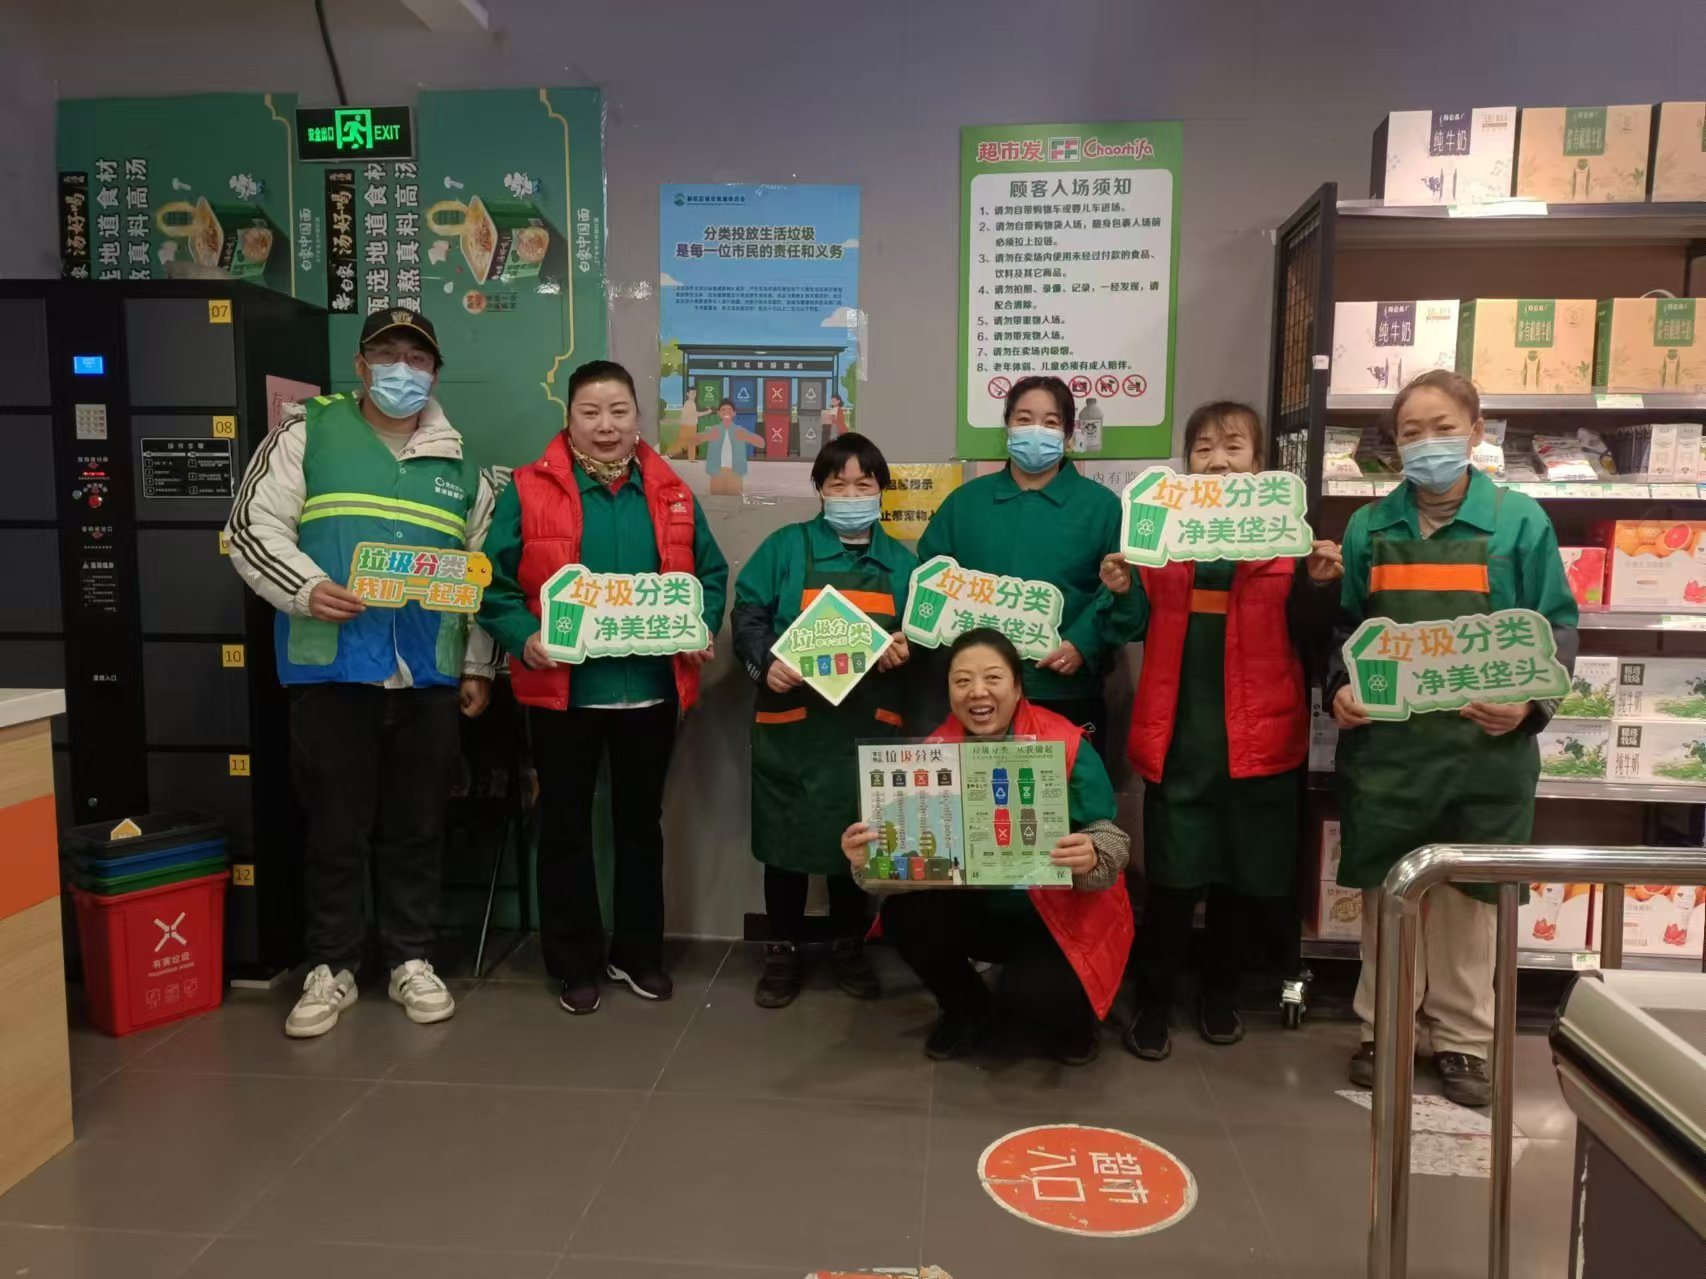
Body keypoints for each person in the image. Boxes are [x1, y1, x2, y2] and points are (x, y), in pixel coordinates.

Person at [226, 308, 495, 1039]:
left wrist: (478, 665)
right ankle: (332, 965)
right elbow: (250, 527)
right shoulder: (306, 432)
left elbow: (478, 575)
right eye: (388, 353)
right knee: (334, 828)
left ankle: (411, 957)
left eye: (418, 357)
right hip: (333, 669)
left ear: (435, 372)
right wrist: (307, 587)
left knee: (418, 826)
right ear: (361, 364)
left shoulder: (462, 464)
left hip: (427, 676)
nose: (402, 368)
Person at [1329, 369, 1577, 1107]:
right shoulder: (1369, 528)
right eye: (1412, 432)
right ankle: (1385, 1029)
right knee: (1390, 895)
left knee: (1471, 903)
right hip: (1391, 748)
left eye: (1443, 428)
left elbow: (1558, 626)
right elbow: (1345, 625)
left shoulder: (1519, 522)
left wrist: (1530, 703)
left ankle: (1465, 1040)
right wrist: (1340, 686)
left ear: (1475, 432)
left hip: (1484, 748)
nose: (1427, 444)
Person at [478, 360, 728, 1014]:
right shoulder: (527, 489)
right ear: (569, 418)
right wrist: (524, 637)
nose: (606, 425)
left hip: (650, 690)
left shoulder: (671, 490)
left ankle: (638, 954)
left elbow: (710, 573)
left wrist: (699, 626)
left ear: (638, 416)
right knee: (564, 824)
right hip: (563, 692)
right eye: (590, 412)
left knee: (640, 825)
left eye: (619, 410)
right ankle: (574, 962)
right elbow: (491, 585)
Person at [1098, 402, 1341, 1060]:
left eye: (1234, 447)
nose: (1218, 462)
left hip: (1263, 740)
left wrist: (1319, 585)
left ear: (1260, 463)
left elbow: (1313, 637)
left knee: (1240, 876)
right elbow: (1128, 625)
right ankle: (1154, 998)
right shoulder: (1159, 540)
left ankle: (1219, 993)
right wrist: (1121, 587)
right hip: (1181, 738)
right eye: (1203, 449)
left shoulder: (1288, 540)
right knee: (1174, 878)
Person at [839, 629, 1133, 1065]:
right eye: (962, 681)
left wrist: (1092, 855)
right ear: (949, 692)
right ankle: (966, 1010)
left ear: (1017, 687)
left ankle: (1073, 1020)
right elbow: (903, 865)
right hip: (977, 908)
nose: (977, 691)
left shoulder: (1064, 743)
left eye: (993, 678)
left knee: (1036, 996)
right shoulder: (931, 757)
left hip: (1057, 917)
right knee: (906, 917)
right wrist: (867, 862)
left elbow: (1111, 836)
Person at [732, 434, 915, 1008]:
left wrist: (908, 648)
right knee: (784, 844)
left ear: (882, 491)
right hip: (792, 729)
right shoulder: (785, 547)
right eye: (839, 484)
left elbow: (929, 638)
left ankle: (848, 947)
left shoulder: (904, 564)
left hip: (867, 730)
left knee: (857, 843)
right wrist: (766, 664)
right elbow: (747, 617)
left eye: (864, 485)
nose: (852, 495)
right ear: (820, 490)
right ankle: (782, 950)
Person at [917, 376, 1123, 754]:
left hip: (1064, 690)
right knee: (978, 791)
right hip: (977, 698)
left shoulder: (1102, 507)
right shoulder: (965, 504)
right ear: (1007, 426)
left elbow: (1124, 591)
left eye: (1050, 422)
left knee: (1069, 790)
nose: (1035, 430)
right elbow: (927, 583)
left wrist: (1083, 642)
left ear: (1068, 434)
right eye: (1024, 419)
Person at [686, 398, 764, 496]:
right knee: (715, 501)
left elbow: (761, 443)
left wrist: (747, 437)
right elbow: (691, 442)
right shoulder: (714, 430)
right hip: (716, 473)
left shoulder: (740, 431)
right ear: (719, 413)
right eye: (723, 409)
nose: (726, 412)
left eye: (729, 410)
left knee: (735, 502)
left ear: (734, 413)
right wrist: (705, 436)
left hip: (736, 473)